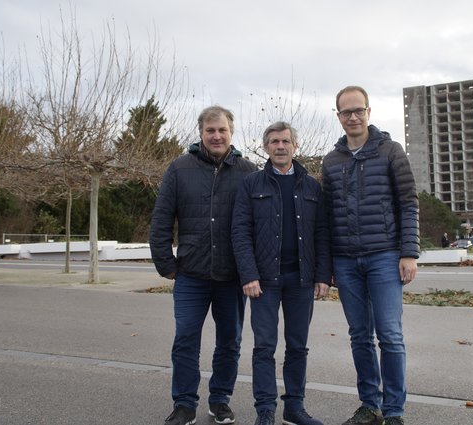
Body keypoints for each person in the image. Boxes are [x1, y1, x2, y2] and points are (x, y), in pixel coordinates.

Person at [150, 106, 257, 425]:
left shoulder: (248, 171)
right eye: (210, 130)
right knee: (185, 338)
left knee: (230, 341)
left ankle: (220, 400)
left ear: (231, 133)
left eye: (222, 130)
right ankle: (184, 403)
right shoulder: (179, 168)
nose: (216, 135)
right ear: (201, 133)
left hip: (231, 276)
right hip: (191, 275)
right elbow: (161, 219)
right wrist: (166, 264)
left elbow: (259, 223)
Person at [321, 86, 420, 425]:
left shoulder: (391, 151)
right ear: (338, 116)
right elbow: (327, 217)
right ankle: (370, 406)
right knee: (359, 335)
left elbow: (408, 202)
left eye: (358, 110)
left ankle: (394, 411)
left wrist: (409, 253)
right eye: (346, 112)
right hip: (346, 262)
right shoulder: (331, 161)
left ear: (368, 112)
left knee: (390, 335)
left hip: (384, 257)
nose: (352, 117)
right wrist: (328, 264)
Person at [232, 121, 331, 425]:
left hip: (301, 280)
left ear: (295, 146)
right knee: (264, 347)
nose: (280, 146)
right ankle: (265, 410)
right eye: (274, 141)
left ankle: (294, 408)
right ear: (265, 147)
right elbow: (240, 231)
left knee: (298, 346)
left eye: (285, 141)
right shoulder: (251, 184)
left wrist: (323, 275)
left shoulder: (312, 186)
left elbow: (322, 233)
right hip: (264, 281)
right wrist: (248, 274)